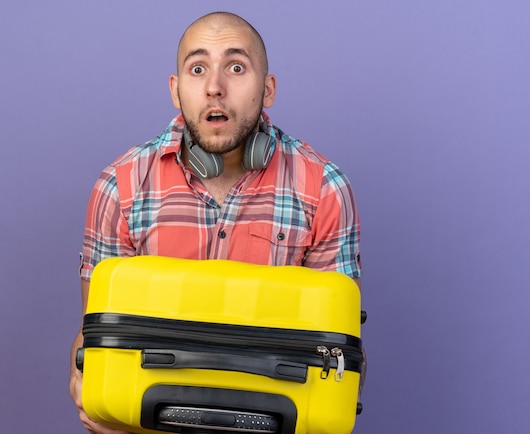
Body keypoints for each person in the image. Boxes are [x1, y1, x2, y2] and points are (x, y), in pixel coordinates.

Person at [69, 11, 363, 434]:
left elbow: (341, 356)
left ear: (268, 89)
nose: (214, 87)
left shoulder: (325, 189)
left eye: (237, 67)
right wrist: (87, 389)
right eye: (198, 68)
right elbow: (93, 340)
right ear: (176, 89)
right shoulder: (120, 186)